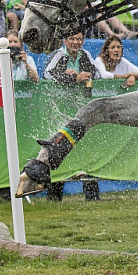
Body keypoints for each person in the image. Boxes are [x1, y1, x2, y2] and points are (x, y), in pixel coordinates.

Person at [43, 31, 101, 201]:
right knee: (60, 148)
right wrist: (73, 79)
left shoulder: (86, 55)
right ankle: (54, 195)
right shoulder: (59, 55)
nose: (76, 42)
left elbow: (97, 74)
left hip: (80, 109)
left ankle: (92, 195)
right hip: (60, 110)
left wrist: (87, 75)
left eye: (79, 39)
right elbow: (48, 74)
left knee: (85, 149)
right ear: (65, 40)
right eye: (72, 39)